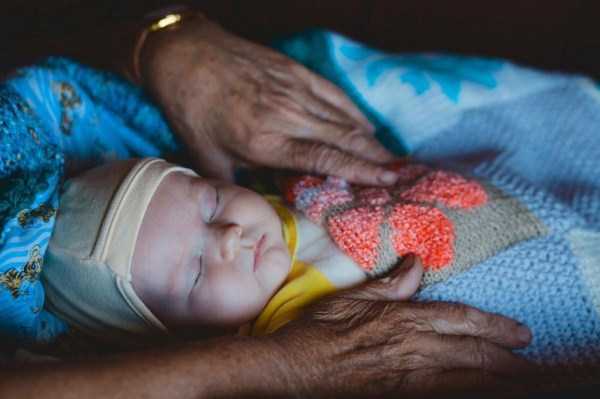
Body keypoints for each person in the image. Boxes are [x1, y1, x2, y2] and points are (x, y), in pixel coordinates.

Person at [0, 7, 535, 399]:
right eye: (194, 273)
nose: (228, 235)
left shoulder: (273, 185)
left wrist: (168, 38)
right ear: (178, 338)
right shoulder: (265, 333)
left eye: (210, 204)